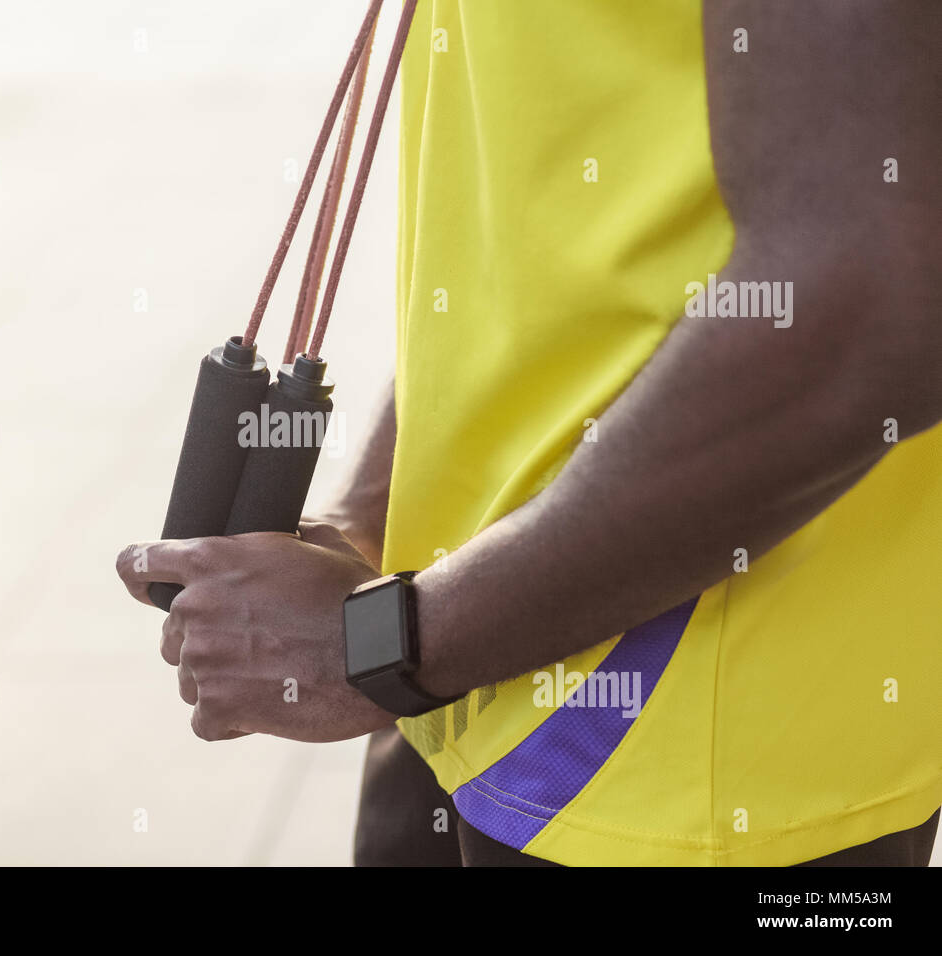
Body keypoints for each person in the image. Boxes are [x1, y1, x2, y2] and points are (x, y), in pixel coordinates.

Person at [116, 0, 941, 866]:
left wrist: (378, 645)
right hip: (478, 654)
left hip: (674, 758)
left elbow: (861, 305)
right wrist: (372, 519)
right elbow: (545, 222)